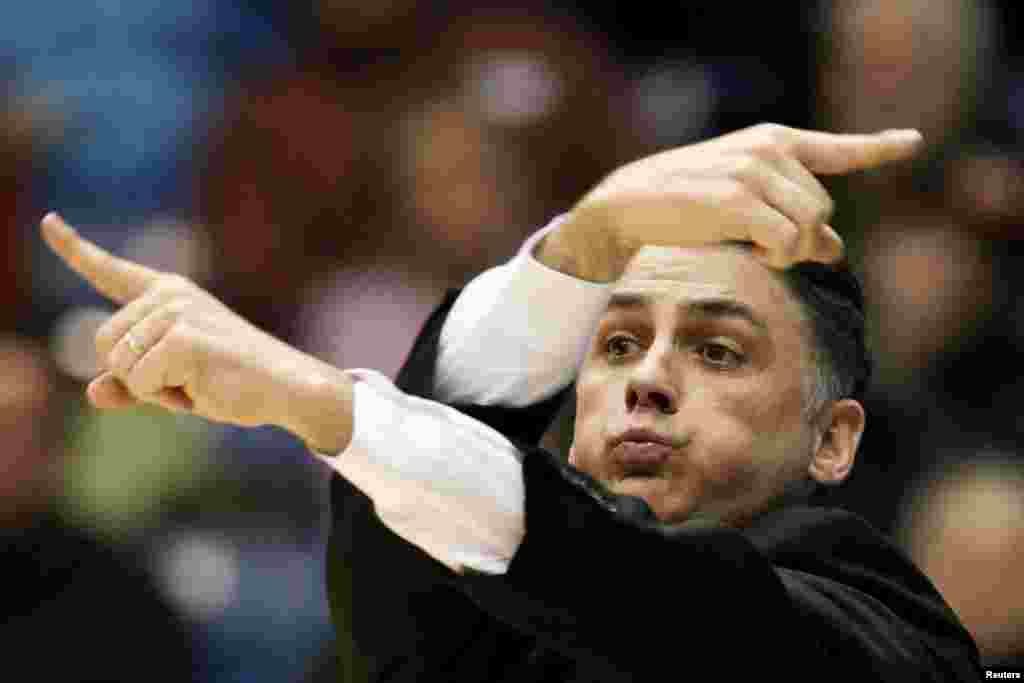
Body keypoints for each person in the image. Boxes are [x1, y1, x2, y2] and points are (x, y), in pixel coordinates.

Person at [41, 123, 983, 681]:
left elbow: (665, 597)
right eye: (616, 343)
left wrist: (319, 401)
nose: (647, 379)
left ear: (833, 437)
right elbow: (407, 565)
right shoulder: (519, 621)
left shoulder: (882, 625)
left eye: (717, 349)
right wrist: (584, 243)